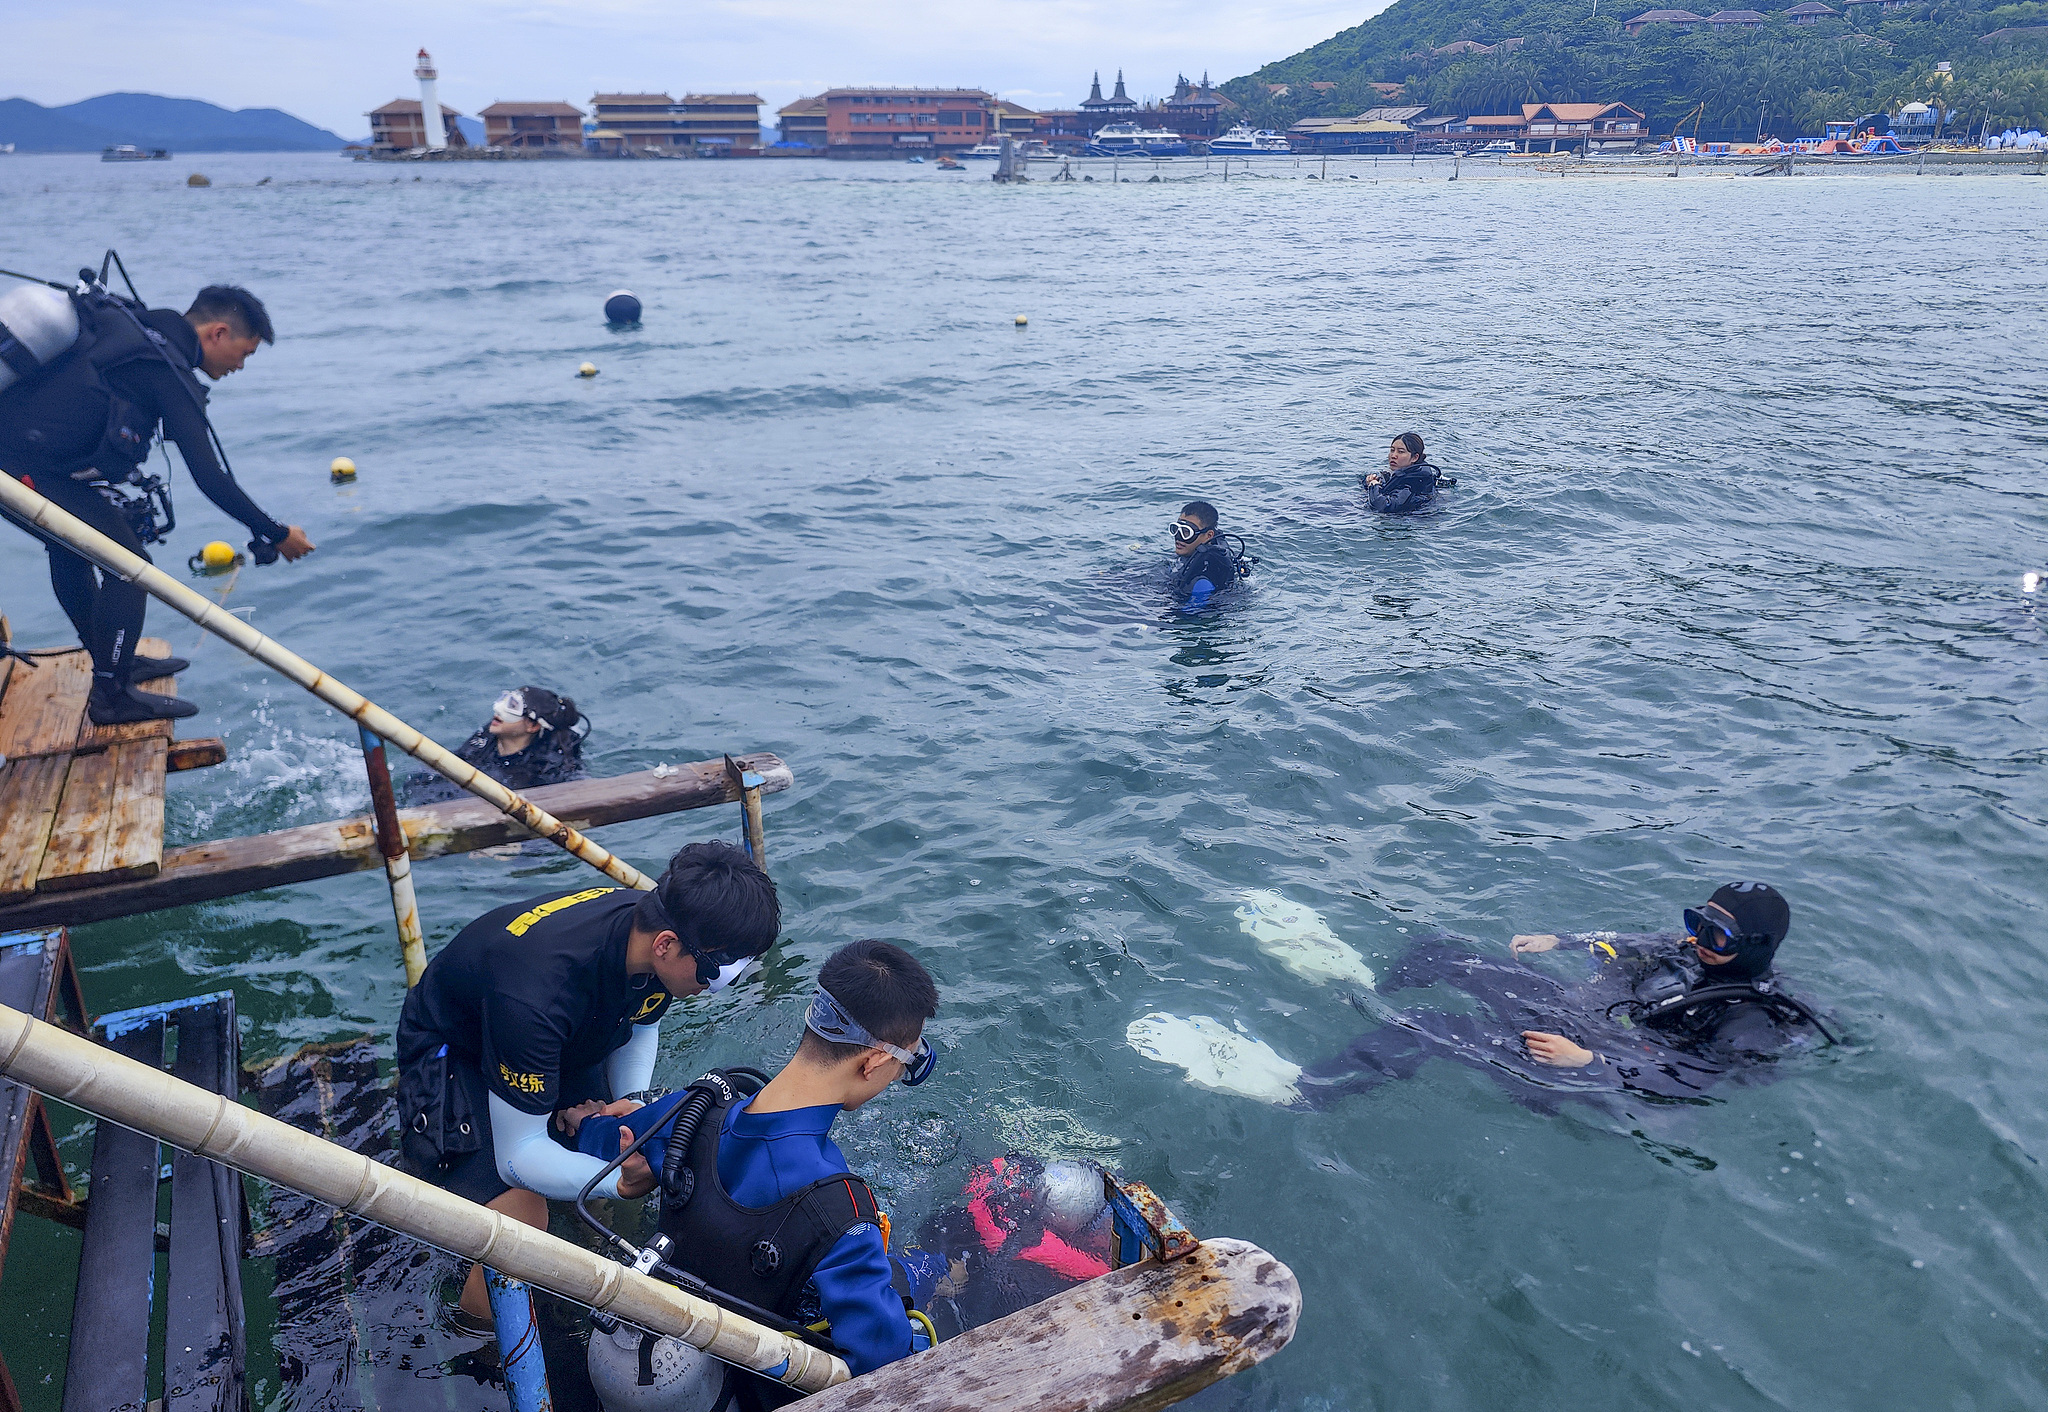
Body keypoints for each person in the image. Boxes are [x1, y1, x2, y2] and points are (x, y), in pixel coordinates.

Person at [393, 841, 780, 1333]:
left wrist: (632, 1105)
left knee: (613, 1140)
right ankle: (477, 1341)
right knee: (523, 1223)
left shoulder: (656, 933)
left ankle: (588, 1241)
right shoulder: (536, 991)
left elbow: (641, 1023)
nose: (719, 985)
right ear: (666, 945)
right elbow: (519, 1156)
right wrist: (618, 1180)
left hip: (552, 1034)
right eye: (716, 973)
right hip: (456, 1052)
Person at [586, 939, 942, 1398]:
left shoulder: (691, 1111)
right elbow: (885, 1361)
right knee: (931, 1273)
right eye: (904, 1064)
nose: (895, 1077)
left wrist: (584, 1121)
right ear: (873, 1061)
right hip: (750, 1390)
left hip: (668, 1351)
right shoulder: (839, 1209)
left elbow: (600, 1141)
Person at [0, 283, 313, 724]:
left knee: (71, 549)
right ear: (218, 333)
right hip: (23, 467)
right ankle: (111, 696)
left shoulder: (133, 327)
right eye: (245, 353)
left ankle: (114, 663)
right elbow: (210, 477)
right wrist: (276, 533)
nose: (240, 366)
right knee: (128, 566)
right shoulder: (163, 369)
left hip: (23, 455)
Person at [1298, 881, 1828, 1109]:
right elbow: (1626, 944)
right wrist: (1561, 940)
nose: (1698, 939)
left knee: (1430, 1027)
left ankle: (1309, 1092)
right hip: (1576, 1015)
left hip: (1593, 1060)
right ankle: (1362, 987)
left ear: (1756, 947)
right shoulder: (1691, 949)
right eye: (1698, 922)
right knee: (1444, 950)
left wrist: (1591, 1062)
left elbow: (1691, 1082)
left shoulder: (1754, 1017)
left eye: (1718, 935)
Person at [408, 686, 589, 801]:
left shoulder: (547, 768)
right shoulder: (487, 737)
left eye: (513, 707)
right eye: (504, 700)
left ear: (533, 726)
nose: (499, 710)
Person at [1169, 500, 1248, 605]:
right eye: (1176, 529)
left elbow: (1189, 615)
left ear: (1209, 535)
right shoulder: (1196, 551)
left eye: (1187, 532)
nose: (1178, 537)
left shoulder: (1203, 579)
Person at [1362, 432, 1443, 514]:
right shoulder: (1409, 473)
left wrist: (1373, 485)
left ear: (1415, 457)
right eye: (1392, 450)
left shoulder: (1411, 483)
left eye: (1400, 452)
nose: (1393, 455)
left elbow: (1382, 506)